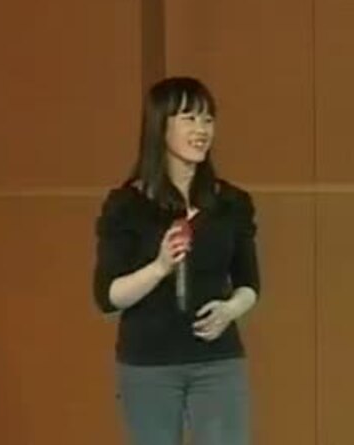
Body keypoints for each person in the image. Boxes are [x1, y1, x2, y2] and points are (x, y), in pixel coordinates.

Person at [93, 76, 260, 445]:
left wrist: (231, 309)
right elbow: (108, 296)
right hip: (148, 363)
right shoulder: (127, 205)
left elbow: (249, 283)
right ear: (160, 126)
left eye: (208, 119)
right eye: (189, 118)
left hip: (217, 361)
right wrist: (159, 268)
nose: (202, 130)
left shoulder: (231, 203)